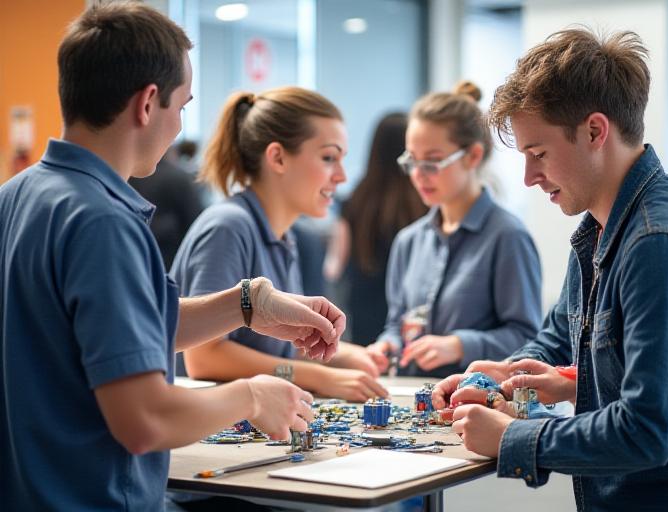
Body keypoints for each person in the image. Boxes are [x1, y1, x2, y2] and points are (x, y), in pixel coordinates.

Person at [0, 4, 344, 510]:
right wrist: (251, 396)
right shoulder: (103, 221)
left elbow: (111, 331)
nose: (180, 127)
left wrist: (248, 303)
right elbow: (145, 420)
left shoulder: (19, 194)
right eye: (181, 107)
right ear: (147, 103)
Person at [432, 29, 668, 511]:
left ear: (594, 131)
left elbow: (645, 431)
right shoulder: (598, 230)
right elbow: (557, 339)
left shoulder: (659, 243)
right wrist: (501, 378)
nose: (528, 178)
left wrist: (516, 438)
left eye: (538, 154)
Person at [171, 88, 387, 403]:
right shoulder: (228, 227)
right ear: (278, 157)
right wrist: (321, 376)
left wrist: (347, 355)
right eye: (328, 158)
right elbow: (204, 359)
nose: (341, 176)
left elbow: (277, 353)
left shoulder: (286, 237)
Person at [366, 81, 542, 378]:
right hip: (416, 403)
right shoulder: (409, 241)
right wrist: (387, 346)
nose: (419, 175)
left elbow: (528, 339)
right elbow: (398, 325)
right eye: (412, 161)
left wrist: (461, 345)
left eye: (433, 162)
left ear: (473, 156)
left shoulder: (508, 237)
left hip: (478, 404)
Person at [323, 112, 428, 345]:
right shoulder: (424, 201)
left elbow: (334, 267)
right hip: (412, 316)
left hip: (363, 313)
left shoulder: (356, 200)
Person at [129, 142, 205, 270]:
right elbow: (196, 222)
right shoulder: (177, 177)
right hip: (171, 261)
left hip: (136, 260)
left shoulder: (128, 176)